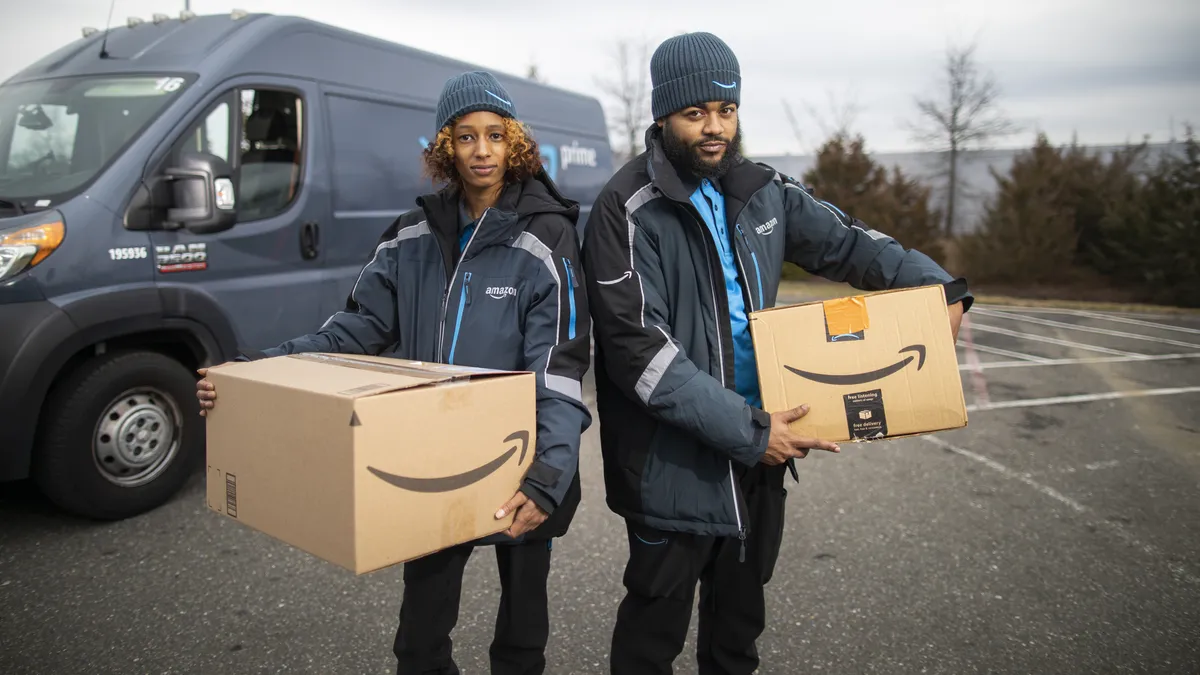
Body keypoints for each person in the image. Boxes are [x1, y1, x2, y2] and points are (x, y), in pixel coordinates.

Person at [581, 32, 973, 675]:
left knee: (737, 637)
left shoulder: (764, 189)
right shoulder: (624, 210)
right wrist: (747, 431)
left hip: (765, 452)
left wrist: (938, 288)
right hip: (671, 466)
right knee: (651, 640)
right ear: (662, 116)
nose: (714, 128)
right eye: (696, 113)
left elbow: (850, 245)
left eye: (726, 111)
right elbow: (636, 353)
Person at [196, 71, 591, 675]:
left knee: (521, 635)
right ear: (444, 147)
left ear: (514, 142)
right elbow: (349, 332)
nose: (480, 151)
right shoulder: (409, 235)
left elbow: (558, 368)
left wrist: (548, 476)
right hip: (431, 460)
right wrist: (252, 371)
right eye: (464, 137)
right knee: (419, 643)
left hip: (522, 456)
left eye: (494, 135)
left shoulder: (547, 235)